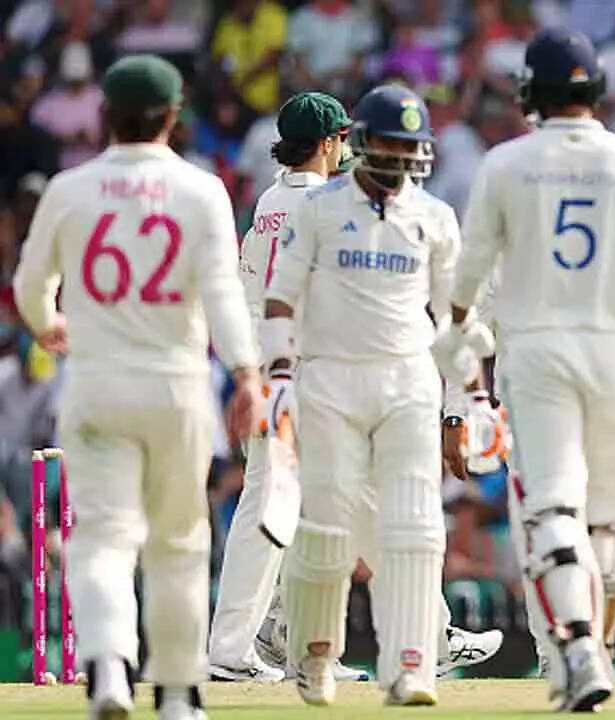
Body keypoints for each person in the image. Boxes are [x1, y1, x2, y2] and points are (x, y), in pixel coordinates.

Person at [435, 27, 615, 711]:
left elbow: (469, 269)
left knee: (552, 505)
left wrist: (457, 334)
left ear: (530, 91)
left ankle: (579, 648)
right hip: (613, 354)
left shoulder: (506, 162)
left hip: (536, 356)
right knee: (606, 524)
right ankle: (593, 652)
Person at [13, 54, 262, 720]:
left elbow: (28, 287)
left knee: (101, 536)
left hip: (95, 383)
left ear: (104, 116)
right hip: (177, 387)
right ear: (174, 115)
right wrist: (245, 373)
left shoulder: (69, 188)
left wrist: (48, 323)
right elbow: (223, 294)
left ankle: (108, 671)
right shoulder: (201, 189)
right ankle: (178, 693)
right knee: (178, 543)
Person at [264, 83, 455, 706]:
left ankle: (411, 665)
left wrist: (471, 399)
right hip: (331, 382)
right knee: (327, 528)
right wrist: (279, 379)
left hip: (407, 380)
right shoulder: (316, 209)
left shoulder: (434, 216)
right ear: (362, 143)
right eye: (390, 143)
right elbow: (280, 299)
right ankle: (316, 656)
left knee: (415, 526)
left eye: (411, 145)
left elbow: (455, 321)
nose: (400, 157)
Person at [209, 90, 349, 684]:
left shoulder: (269, 200)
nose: (345, 146)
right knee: (274, 508)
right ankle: (232, 650)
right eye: (340, 137)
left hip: (273, 369)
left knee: (306, 512)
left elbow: (244, 293)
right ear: (324, 143)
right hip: (307, 370)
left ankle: (301, 651)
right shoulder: (329, 202)